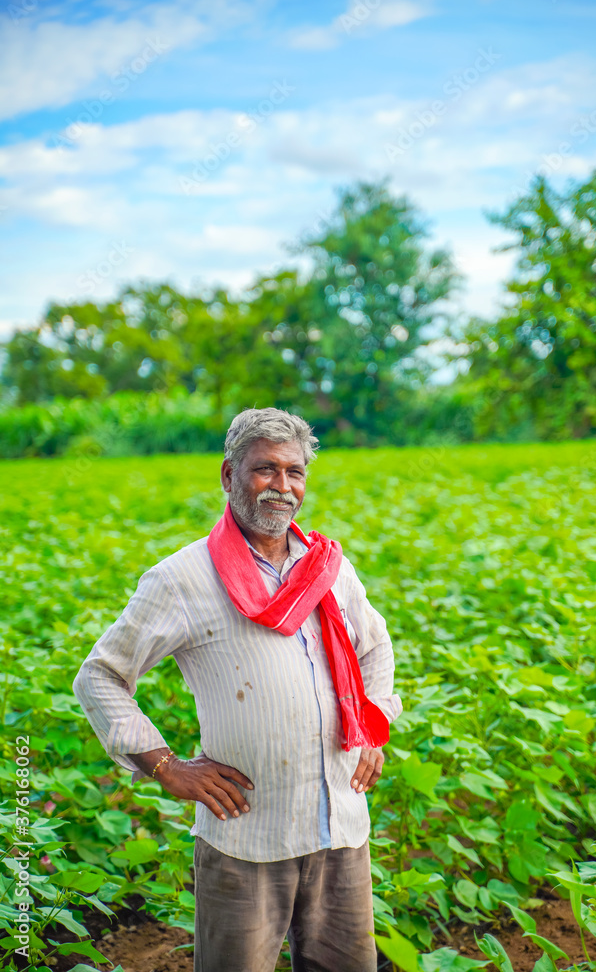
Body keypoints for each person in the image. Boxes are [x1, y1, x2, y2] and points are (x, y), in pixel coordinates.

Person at [73, 407, 402, 972]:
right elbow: (99, 677)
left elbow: (374, 647)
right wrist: (167, 766)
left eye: (294, 472)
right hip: (247, 835)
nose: (282, 487)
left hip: (341, 828)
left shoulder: (328, 567)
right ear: (228, 475)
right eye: (265, 470)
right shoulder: (182, 578)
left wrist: (371, 729)